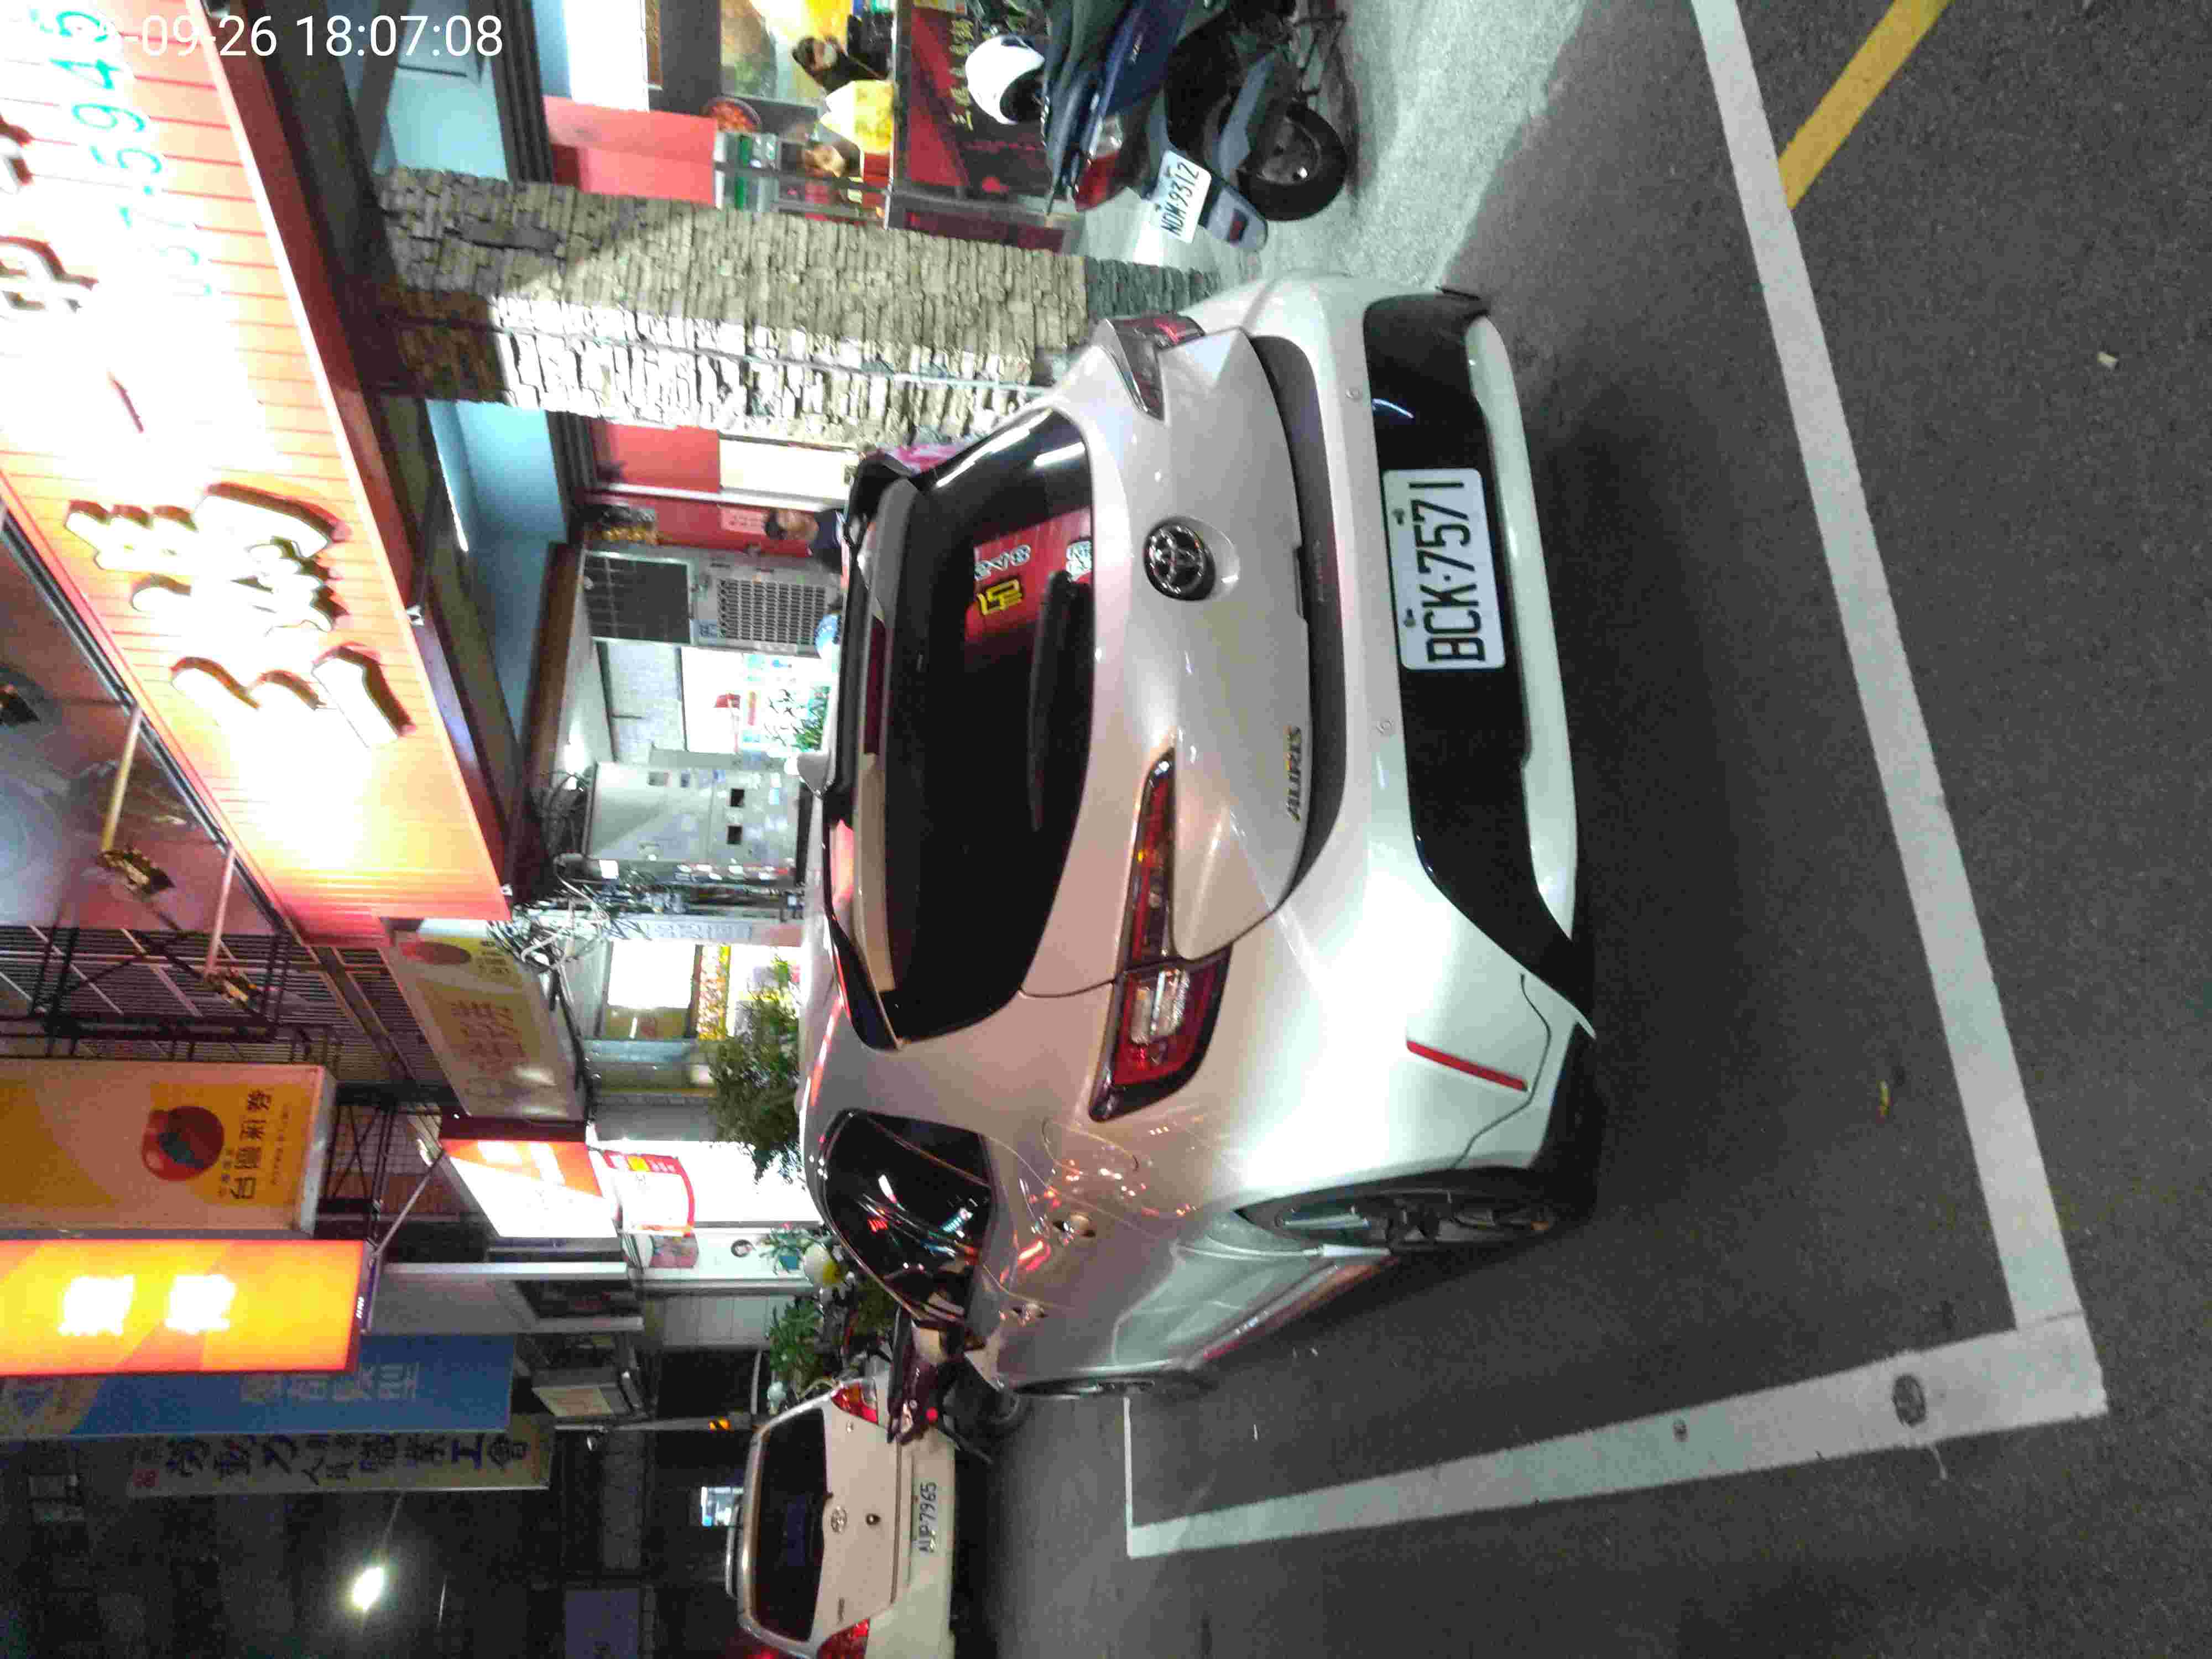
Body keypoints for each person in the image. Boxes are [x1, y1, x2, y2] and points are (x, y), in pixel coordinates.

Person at [767, 506, 846, 576]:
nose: (792, 513)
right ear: (788, 536)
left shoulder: (825, 514)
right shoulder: (823, 554)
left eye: (787, 510)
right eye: (787, 519)